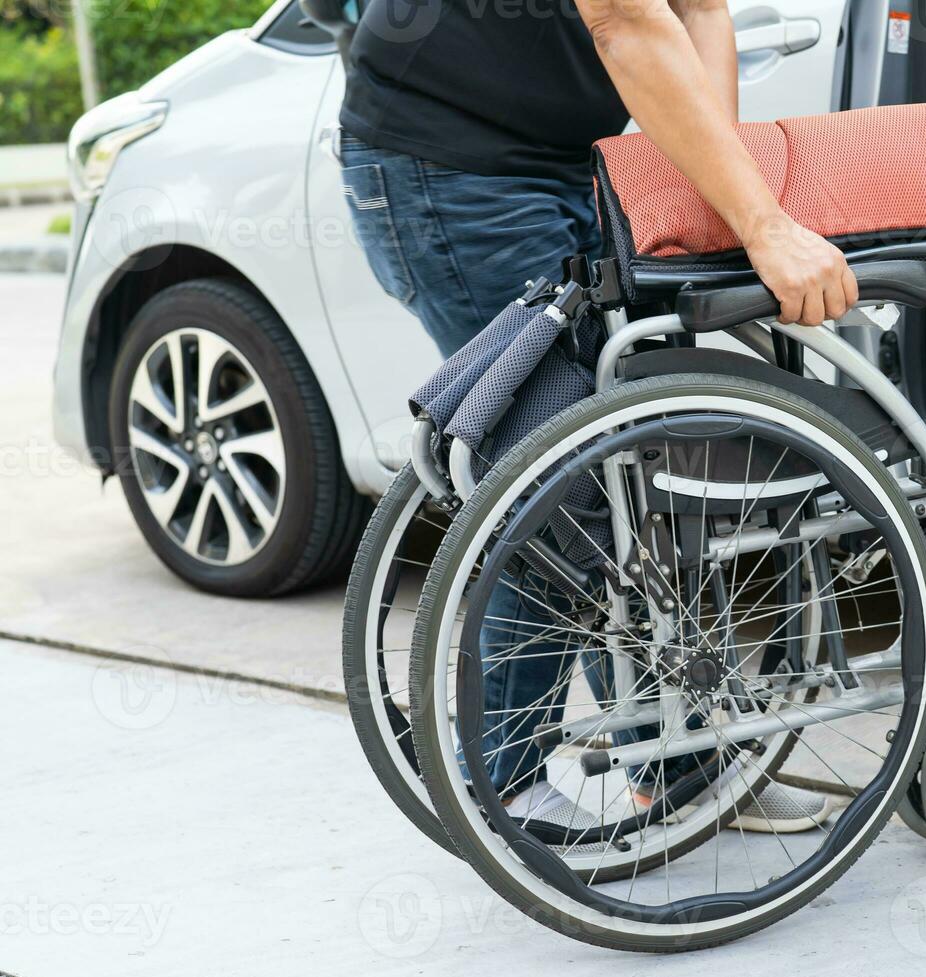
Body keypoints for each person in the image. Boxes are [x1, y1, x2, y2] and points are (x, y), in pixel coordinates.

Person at [339, 0, 849, 830]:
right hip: (451, 166)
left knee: (624, 474)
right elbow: (628, 23)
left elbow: (698, 10)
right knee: (560, 475)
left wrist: (708, 201)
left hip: (563, 162)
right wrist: (763, 224)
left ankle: (678, 764)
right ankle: (499, 782)